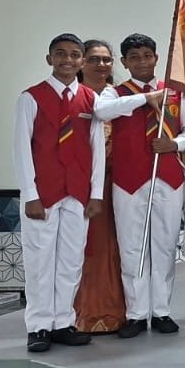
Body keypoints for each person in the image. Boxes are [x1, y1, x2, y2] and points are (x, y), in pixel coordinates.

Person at [95, 33, 185, 338]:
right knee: (132, 248)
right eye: (134, 57)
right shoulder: (115, 92)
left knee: (164, 245)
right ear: (125, 62)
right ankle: (136, 314)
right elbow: (102, 111)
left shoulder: (174, 93)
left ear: (156, 58)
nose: (142, 62)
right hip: (128, 181)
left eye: (147, 56)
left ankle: (161, 311)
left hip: (167, 178)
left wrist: (175, 144)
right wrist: (145, 99)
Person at [15, 33, 105, 352]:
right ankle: (39, 326)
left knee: (71, 260)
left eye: (75, 54)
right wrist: (30, 194)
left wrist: (96, 193)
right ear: (49, 58)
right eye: (61, 54)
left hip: (78, 194)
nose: (68, 60)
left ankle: (63, 322)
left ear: (82, 60)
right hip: (44, 194)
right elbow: (22, 149)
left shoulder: (90, 99)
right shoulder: (31, 98)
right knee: (40, 261)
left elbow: (97, 149)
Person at [73, 39, 126, 333]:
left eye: (107, 59)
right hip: (80, 185)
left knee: (115, 248)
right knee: (85, 249)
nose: (101, 65)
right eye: (94, 59)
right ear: (82, 62)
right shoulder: (73, 98)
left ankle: (119, 312)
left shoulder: (119, 97)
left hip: (117, 184)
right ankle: (84, 314)